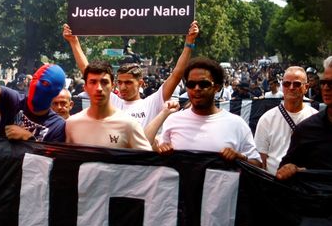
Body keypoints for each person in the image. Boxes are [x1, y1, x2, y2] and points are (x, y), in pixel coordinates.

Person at [63, 21, 199, 130]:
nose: (123, 87)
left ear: (141, 84)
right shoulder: (113, 100)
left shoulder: (152, 102)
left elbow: (176, 74)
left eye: (128, 83)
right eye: (120, 82)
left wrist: (189, 43)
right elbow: (88, 72)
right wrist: (74, 42)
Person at [157, 58, 262, 166]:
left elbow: (258, 165)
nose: (197, 88)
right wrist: (162, 150)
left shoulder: (237, 124)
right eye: (191, 84)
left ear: (216, 87)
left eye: (203, 84)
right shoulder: (173, 121)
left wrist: (240, 158)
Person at [66, 61, 151, 150]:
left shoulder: (129, 125)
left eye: (104, 82)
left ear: (112, 86)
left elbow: (147, 160)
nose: (98, 88)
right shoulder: (71, 124)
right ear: (85, 87)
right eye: (93, 82)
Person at [254, 67, 317, 174]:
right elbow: (261, 160)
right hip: (275, 184)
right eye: (286, 84)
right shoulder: (267, 119)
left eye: (297, 84)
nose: (291, 87)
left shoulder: (316, 118)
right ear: (282, 87)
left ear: (306, 87)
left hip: (307, 184)